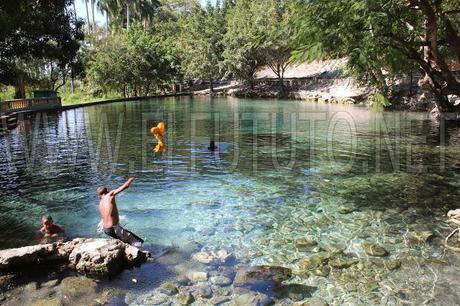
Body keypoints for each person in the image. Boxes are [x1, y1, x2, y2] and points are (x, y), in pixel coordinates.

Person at [97, 177, 144, 248]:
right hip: (113, 228)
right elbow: (125, 186)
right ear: (107, 190)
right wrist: (130, 179)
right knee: (138, 242)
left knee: (127, 242)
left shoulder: (100, 203)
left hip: (106, 229)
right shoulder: (110, 195)